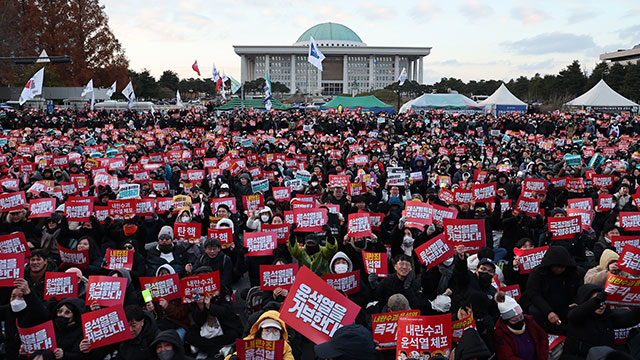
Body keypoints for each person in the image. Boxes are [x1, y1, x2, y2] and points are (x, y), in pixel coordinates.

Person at [564, 284, 640, 359]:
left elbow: (627, 320)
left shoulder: (608, 316)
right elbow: (574, 316)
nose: (601, 305)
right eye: (595, 301)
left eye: (604, 301)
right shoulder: (576, 313)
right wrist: (597, 299)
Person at [524, 246, 582, 334]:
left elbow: (580, 288)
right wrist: (548, 312)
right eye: (556, 267)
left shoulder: (572, 273)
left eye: (562, 267)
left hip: (565, 305)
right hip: (542, 306)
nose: (559, 270)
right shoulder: (537, 273)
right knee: (535, 312)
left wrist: (577, 302)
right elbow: (534, 294)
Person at [492, 292, 548, 360]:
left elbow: (543, 337)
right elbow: (507, 357)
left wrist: (542, 356)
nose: (519, 321)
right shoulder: (500, 334)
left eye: (521, 317)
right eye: (515, 320)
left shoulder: (529, 321)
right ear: (507, 321)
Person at [226, 310, 294, 360]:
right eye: (267, 330)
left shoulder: (285, 347)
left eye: (275, 331)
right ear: (261, 331)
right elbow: (237, 354)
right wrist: (233, 358)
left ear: (281, 333)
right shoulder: (249, 342)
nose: (271, 334)